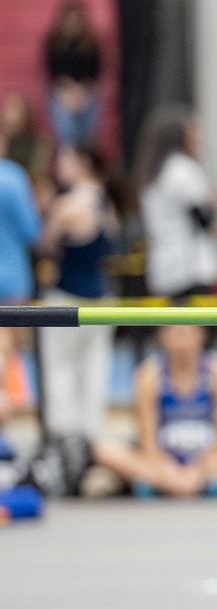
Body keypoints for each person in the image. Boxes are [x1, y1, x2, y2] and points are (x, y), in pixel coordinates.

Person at [93, 324, 217, 497]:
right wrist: (169, 472)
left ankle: (167, 484)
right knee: (105, 450)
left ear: (201, 335)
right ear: (161, 337)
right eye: (173, 333)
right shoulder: (149, 374)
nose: (180, 342)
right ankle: (186, 483)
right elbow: (147, 442)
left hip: (207, 462)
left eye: (186, 333)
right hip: (161, 461)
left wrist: (198, 471)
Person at [36, 144, 117, 441]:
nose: (60, 165)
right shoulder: (107, 202)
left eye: (65, 159)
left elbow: (44, 243)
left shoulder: (67, 204)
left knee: (59, 369)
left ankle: (63, 438)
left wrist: (47, 210)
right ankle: (90, 436)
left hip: (67, 297)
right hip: (102, 297)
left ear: (82, 162)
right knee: (94, 369)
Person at [136, 105, 217, 298]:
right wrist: (212, 202)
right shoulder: (183, 169)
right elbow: (204, 219)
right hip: (189, 269)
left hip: (163, 268)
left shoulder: (152, 172)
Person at [0, 151, 41, 461]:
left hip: (12, 279)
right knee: (5, 357)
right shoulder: (13, 177)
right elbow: (32, 230)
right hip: (11, 278)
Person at [43, 0, 102, 148]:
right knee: (67, 137)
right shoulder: (54, 42)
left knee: (87, 138)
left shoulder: (91, 42)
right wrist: (69, 89)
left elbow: (95, 71)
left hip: (85, 92)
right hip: (62, 91)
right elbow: (53, 72)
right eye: (69, 19)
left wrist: (81, 91)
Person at [1, 93, 53, 203]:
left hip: (29, 183)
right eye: (9, 111)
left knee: (45, 190)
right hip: (5, 183)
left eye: (16, 112)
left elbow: (39, 171)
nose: (11, 117)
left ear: (25, 115)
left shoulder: (38, 140)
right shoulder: (3, 137)